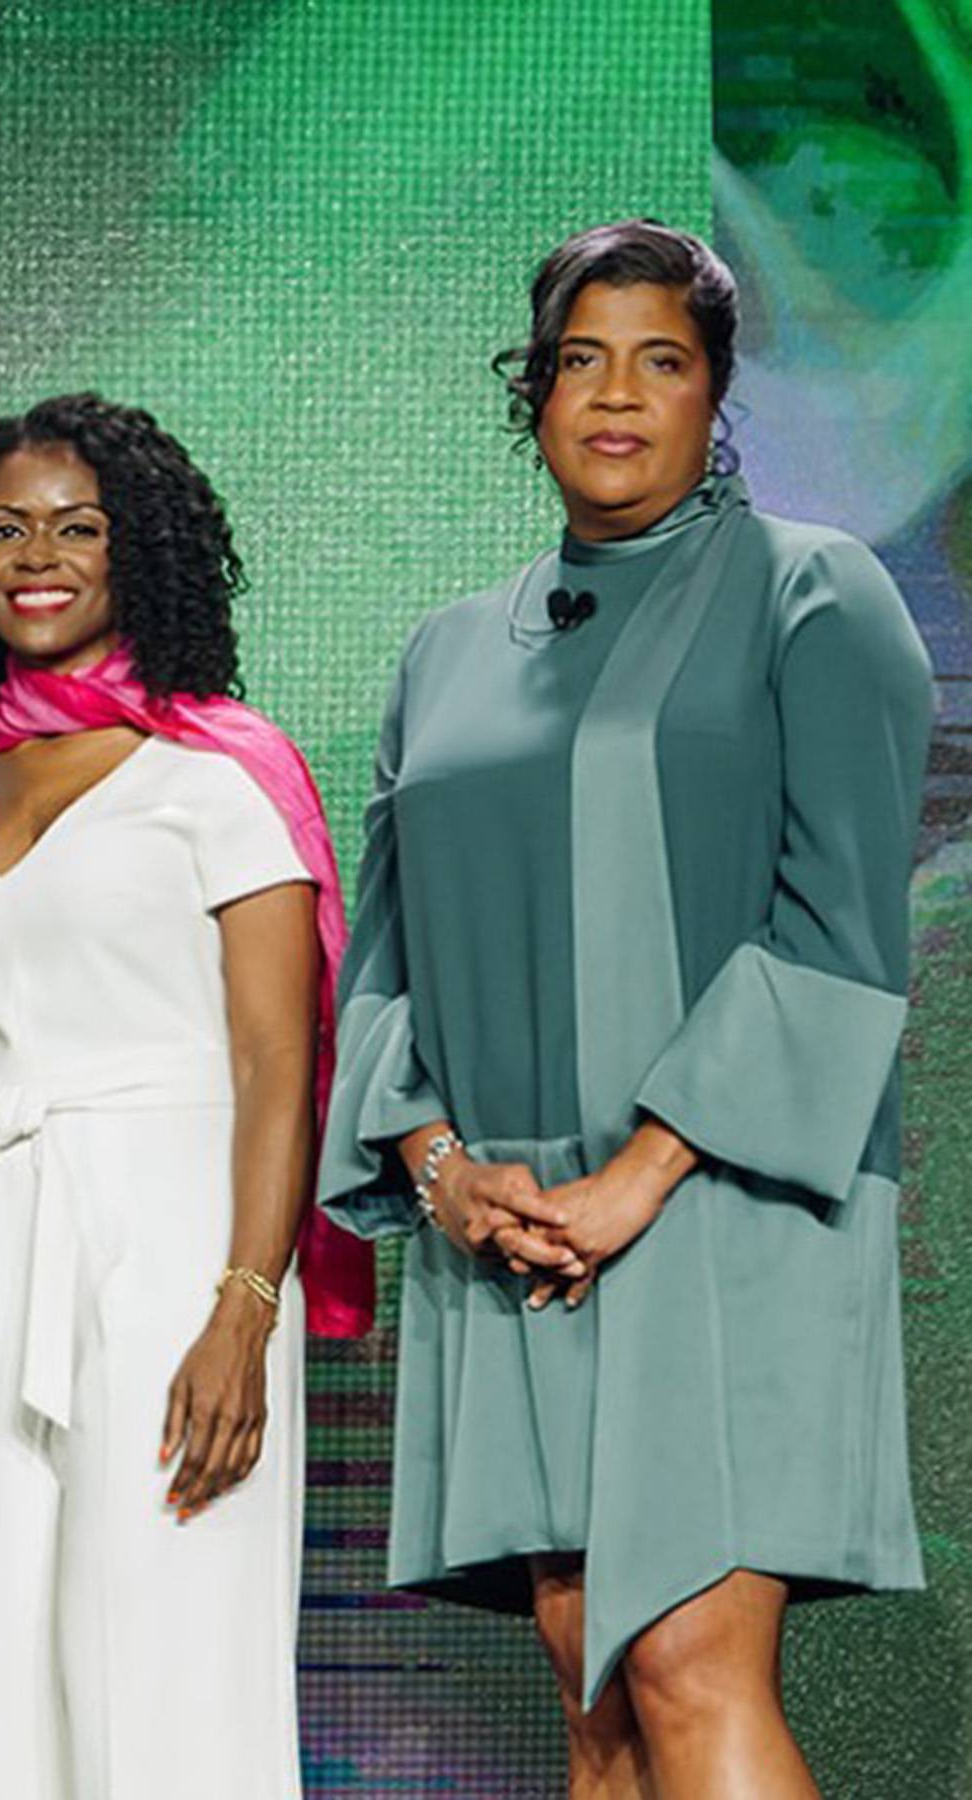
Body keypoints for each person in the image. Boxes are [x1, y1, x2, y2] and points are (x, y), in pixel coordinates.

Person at [320, 220, 929, 1797]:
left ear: (715, 393)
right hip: (510, 1234)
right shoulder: (446, 652)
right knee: (593, 1705)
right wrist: (452, 1180)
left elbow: (843, 927)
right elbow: (380, 966)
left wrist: (633, 1181)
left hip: (726, 1205)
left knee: (682, 1663)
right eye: (581, 359)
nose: (616, 395)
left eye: (662, 360)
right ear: (533, 394)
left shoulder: (814, 594)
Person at [0, 394, 371, 1797]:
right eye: (5, 528)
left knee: (163, 1675)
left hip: (176, 1253)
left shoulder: (220, 773)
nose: (39, 555)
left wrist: (243, 1313)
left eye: (79, 527)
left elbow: (279, 1070)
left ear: (138, 554)